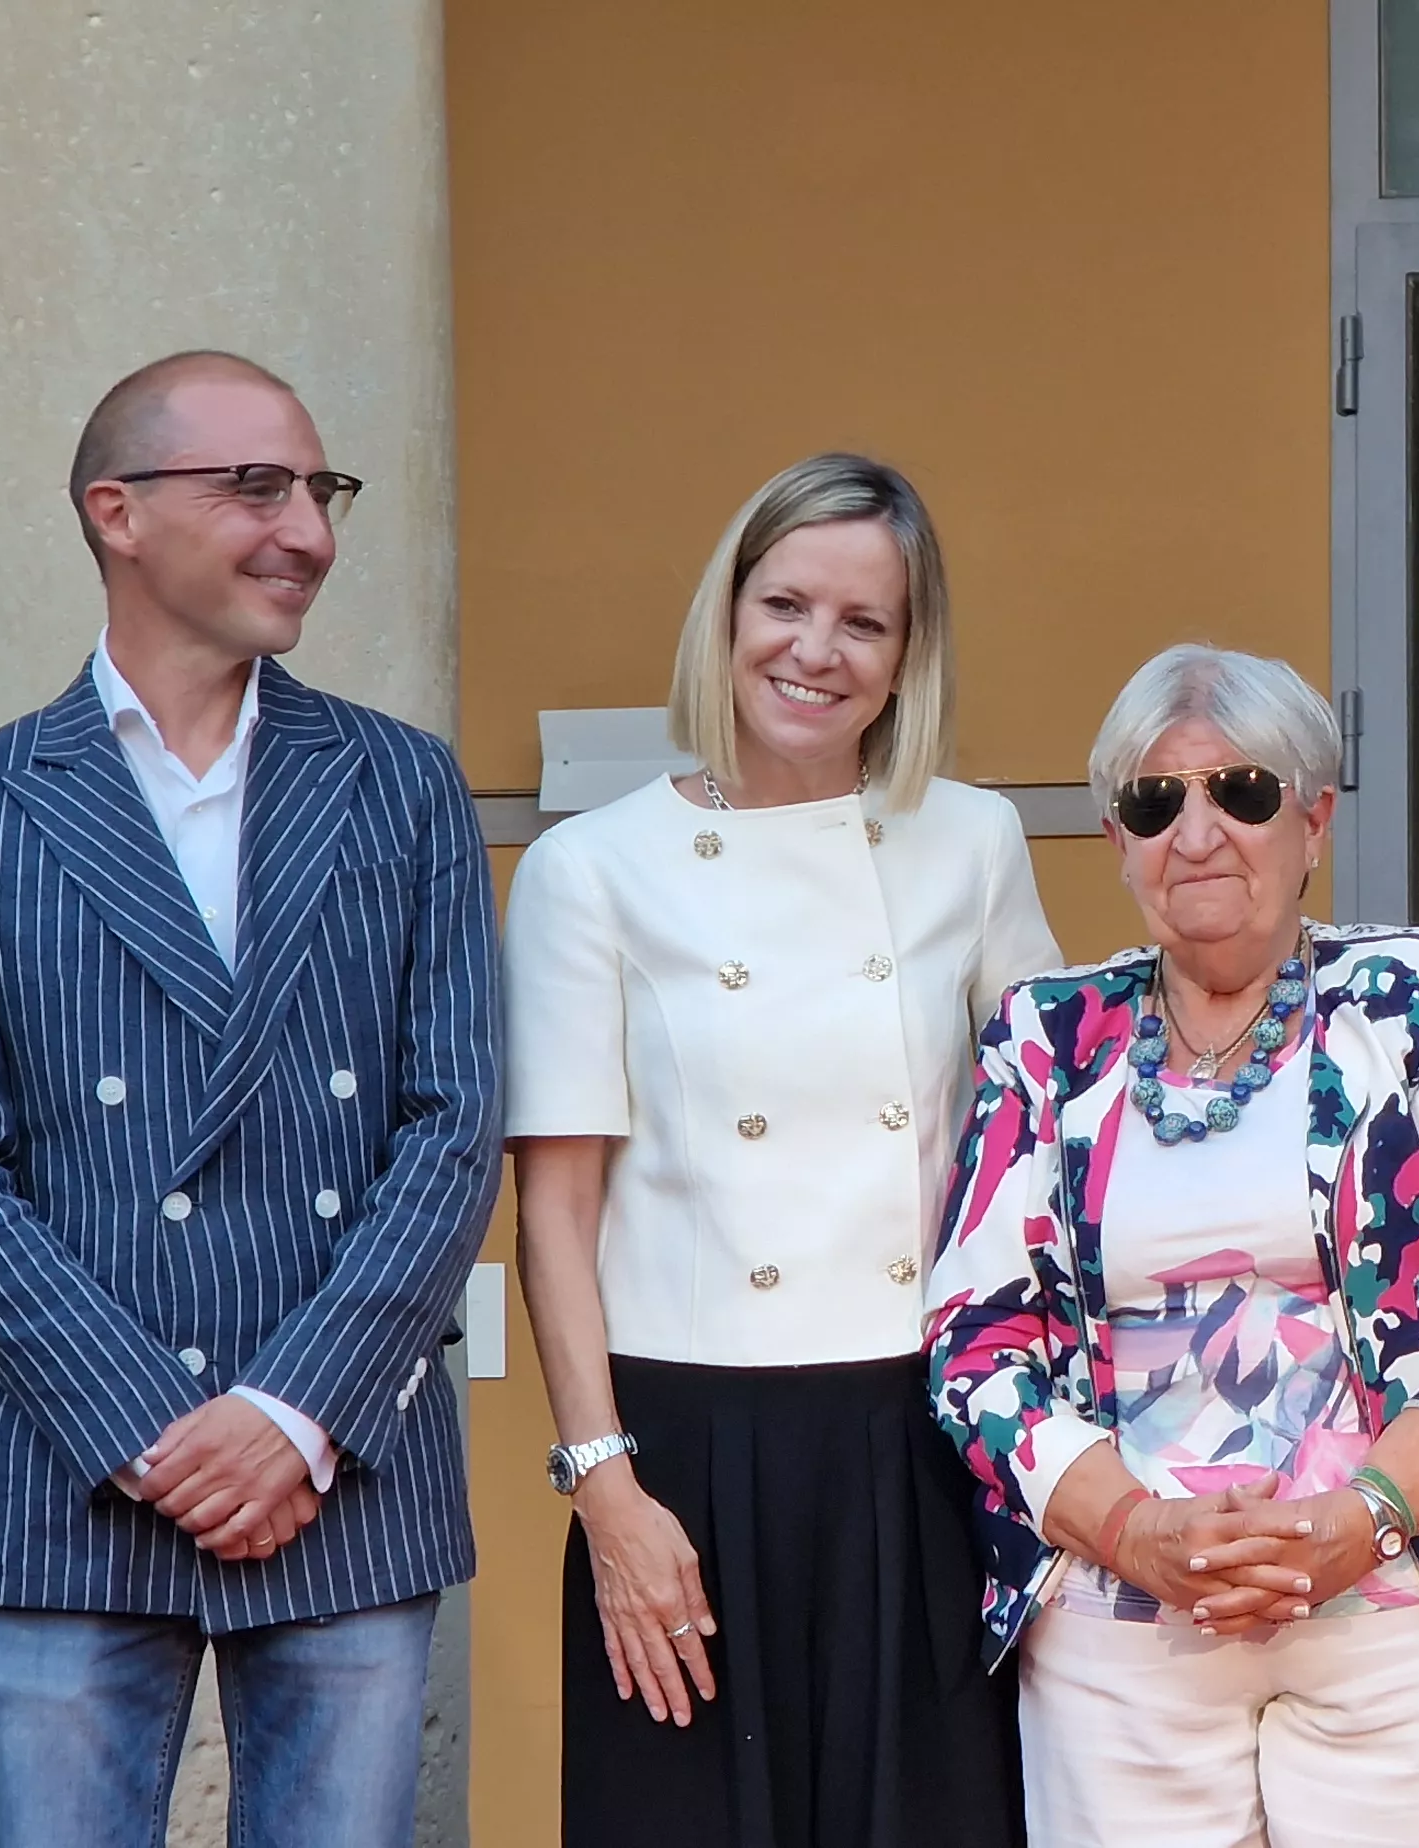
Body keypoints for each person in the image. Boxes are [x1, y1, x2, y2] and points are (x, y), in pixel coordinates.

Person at [0, 350, 497, 1842]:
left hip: (340, 1470)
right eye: (255, 486)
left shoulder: (403, 786)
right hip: (72, 1475)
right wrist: (157, 1428)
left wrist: (290, 1414)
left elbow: (454, 1126)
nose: (310, 531)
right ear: (118, 514)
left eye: (321, 490)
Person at [930, 644, 1419, 1848]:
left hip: (1403, 1600)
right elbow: (977, 1346)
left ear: (1313, 819)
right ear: (1115, 839)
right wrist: (1138, 1534)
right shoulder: (1046, 1035)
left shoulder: (1413, 998)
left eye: (1240, 792)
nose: (1197, 832)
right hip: (1120, 1626)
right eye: (1152, 801)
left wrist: (1364, 1517)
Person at [502, 453, 1050, 1844]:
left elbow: (1054, 1140)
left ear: (907, 655)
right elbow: (555, 1214)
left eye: (864, 623)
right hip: (681, 1450)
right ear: (727, 614)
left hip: (920, 1441)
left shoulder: (975, 842)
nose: (816, 652)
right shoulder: (590, 866)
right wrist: (605, 1489)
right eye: (785, 604)